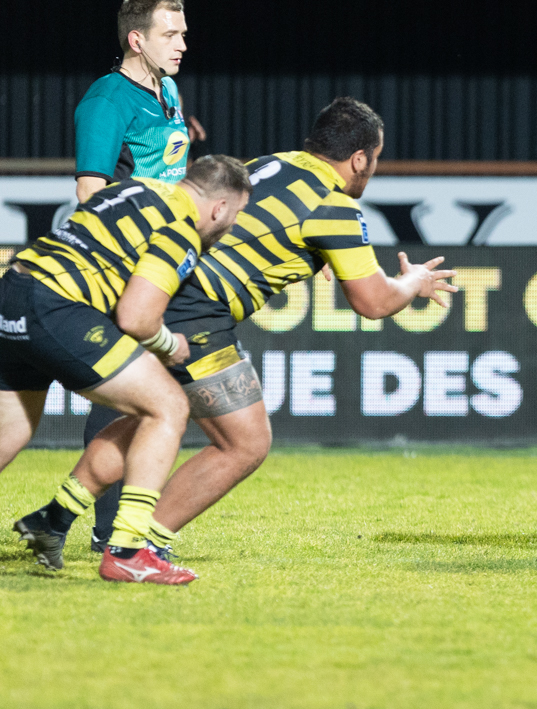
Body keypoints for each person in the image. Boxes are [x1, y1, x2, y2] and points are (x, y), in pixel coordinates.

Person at [15, 98, 457, 565]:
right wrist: (415, 282)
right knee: (244, 442)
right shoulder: (335, 207)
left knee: (153, 414)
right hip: (198, 310)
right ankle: (138, 544)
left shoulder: (268, 165)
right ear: (361, 158)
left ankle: (55, 518)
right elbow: (374, 302)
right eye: (375, 159)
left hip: (159, 284)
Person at [6, 155, 251, 584]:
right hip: (56, 307)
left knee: (11, 429)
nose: (230, 227)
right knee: (168, 407)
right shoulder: (181, 229)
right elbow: (136, 318)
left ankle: (55, 519)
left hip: (12, 291)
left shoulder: (132, 189)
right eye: (235, 216)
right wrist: (168, 344)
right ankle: (127, 551)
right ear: (220, 208)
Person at [75, 0, 207, 550]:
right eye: (170, 34)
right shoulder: (107, 100)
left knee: (151, 393)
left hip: (164, 262)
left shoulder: (168, 92)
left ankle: (113, 525)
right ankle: (109, 529)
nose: (181, 43)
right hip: (125, 267)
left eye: (183, 33)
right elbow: (89, 194)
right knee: (122, 395)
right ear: (137, 41)